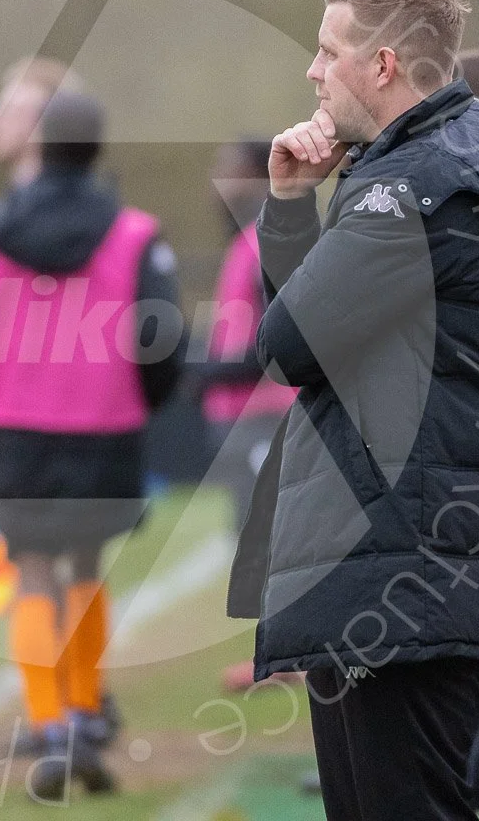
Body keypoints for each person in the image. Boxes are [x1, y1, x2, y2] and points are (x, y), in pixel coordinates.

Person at [226, 0, 479, 821]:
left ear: (381, 67)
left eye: (327, 50)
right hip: (417, 550)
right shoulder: (468, 152)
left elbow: (288, 345)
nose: (312, 71)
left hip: (395, 559)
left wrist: (290, 207)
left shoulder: (407, 187)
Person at [0, 90, 182, 801]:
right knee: (85, 571)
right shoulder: (134, 234)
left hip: (15, 432)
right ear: (99, 150)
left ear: (39, 147)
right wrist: (143, 402)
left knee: (33, 576)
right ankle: (80, 716)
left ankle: (47, 728)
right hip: (104, 430)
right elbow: (161, 339)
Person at [190, 140, 299, 692]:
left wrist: (210, 374)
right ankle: (279, 653)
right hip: (242, 417)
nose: (221, 184)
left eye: (231, 172)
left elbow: (276, 338)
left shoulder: (265, 242)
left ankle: (288, 655)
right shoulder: (244, 243)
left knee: (275, 539)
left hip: (267, 414)